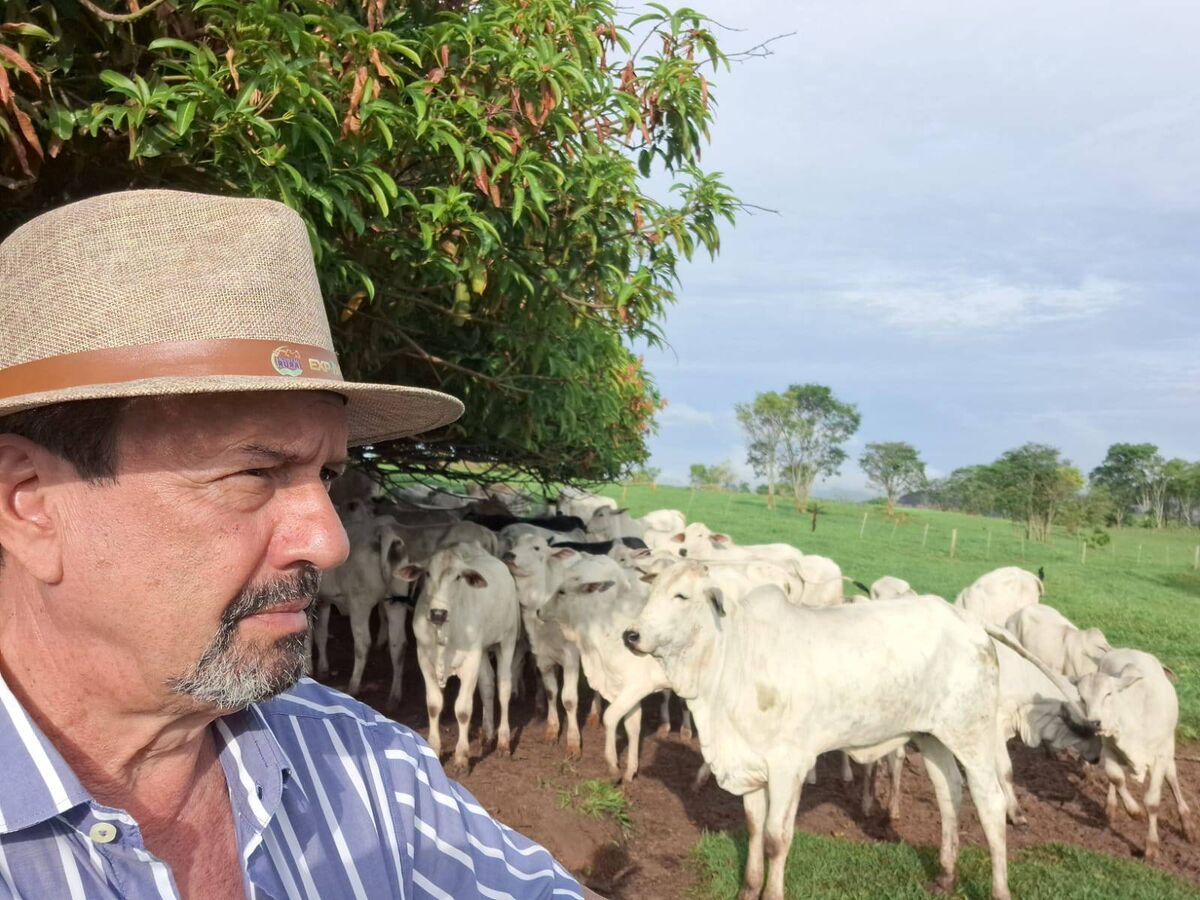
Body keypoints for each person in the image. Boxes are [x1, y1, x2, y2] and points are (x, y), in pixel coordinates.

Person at [0, 190, 600, 899]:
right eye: (254, 472)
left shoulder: (368, 766)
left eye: (328, 474)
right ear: (28, 501)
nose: (330, 542)